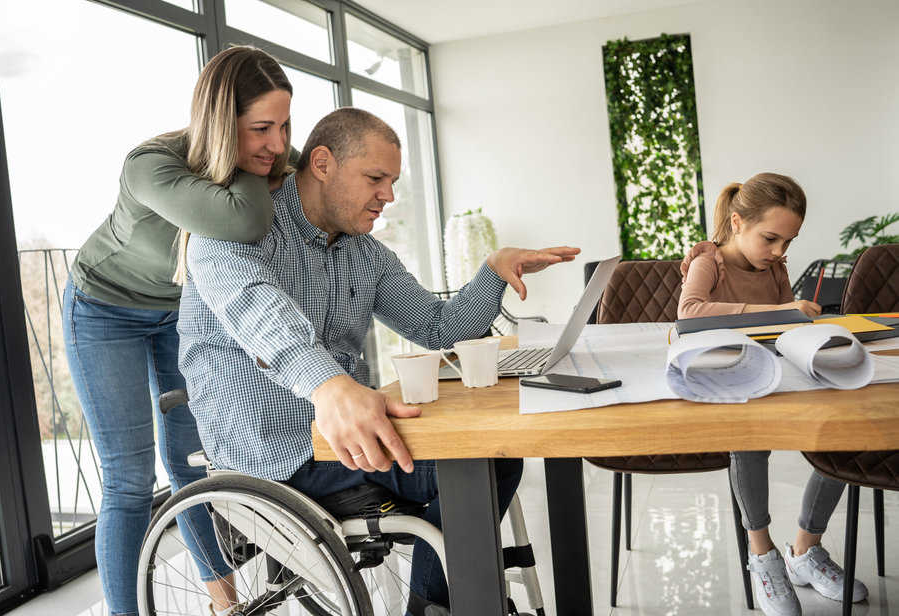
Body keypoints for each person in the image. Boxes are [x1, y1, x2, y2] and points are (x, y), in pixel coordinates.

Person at [176, 106, 580, 615]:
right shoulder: (238, 233)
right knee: (476, 464)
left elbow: (437, 327)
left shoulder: (363, 252)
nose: (388, 195)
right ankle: (448, 599)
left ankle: (436, 602)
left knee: (489, 455)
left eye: (391, 180)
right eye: (375, 178)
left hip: (349, 435)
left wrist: (493, 271)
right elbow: (272, 329)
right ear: (322, 163)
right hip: (277, 454)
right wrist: (332, 387)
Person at [63, 46, 297, 616]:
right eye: (261, 127)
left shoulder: (260, 167)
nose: (277, 143)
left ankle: (224, 604)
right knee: (127, 477)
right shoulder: (151, 164)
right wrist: (243, 161)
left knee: (192, 462)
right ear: (219, 119)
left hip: (177, 314)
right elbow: (246, 221)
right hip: (103, 308)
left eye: (285, 125)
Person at [678, 172, 867, 616]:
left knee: (841, 429)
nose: (780, 252)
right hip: (732, 378)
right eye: (771, 239)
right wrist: (778, 309)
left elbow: (786, 328)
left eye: (788, 242)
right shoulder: (710, 262)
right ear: (738, 222)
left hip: (780, 373)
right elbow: (688, 313)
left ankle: (805, 549)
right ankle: (763, 555)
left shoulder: (775, 268)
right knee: (748, 440)